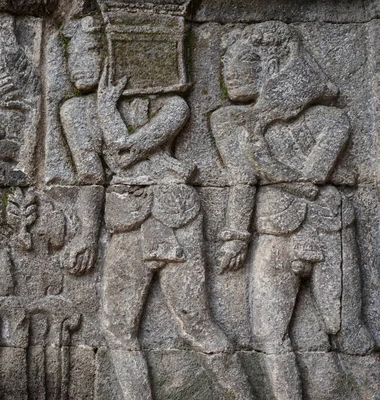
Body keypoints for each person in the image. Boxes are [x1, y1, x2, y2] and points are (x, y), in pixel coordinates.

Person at [60, 16, 254, 400]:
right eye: (75, 53)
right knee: (117, 327)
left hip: (174, 212)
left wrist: (108, 110)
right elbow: (88, 177)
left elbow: (123, 153)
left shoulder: (173, 105)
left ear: (119, 56)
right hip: (125, 217)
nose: (81, 62)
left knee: (195, 321)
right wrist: (85, 233)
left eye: (94, 51)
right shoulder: (74, 112)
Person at [211, 21, 375, 399]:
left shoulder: (332, 120)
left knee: (349, 331)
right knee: (269, 334)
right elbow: (241, 180)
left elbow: (312, 178)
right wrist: (236, 234)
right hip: (273, 230)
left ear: (275, 65)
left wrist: (262, 151)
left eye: (245, 62)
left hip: (327, 229)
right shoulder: (229, 121)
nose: (231, 74)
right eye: (226, 67)